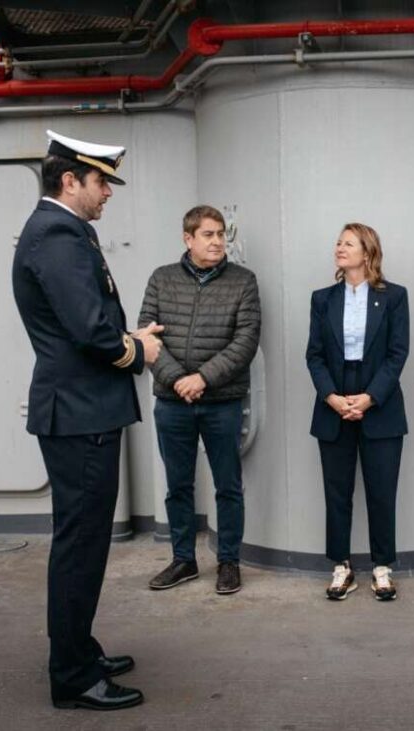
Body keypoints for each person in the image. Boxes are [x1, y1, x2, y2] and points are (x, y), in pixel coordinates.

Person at [12, 129, 164, 711]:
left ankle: (79, 647)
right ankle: (72, 676)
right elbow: (89, 329)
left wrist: (128, 338)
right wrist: (136, 350)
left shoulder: (67, 231)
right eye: (102, 181)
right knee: (80, 545)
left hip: (82, 411)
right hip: (79, 414)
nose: (108, 193)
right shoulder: (56, 233)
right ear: (69, 180)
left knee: (85, 541)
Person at [140, 205, 261, 595]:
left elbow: (245, 341)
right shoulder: (162, 279)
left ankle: (228, 561)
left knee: (227, 485)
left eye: (220, 234)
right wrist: (178, 380)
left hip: (222, 401)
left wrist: (202, 378)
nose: (216, 241)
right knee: (178, 485)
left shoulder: (243, 281)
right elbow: (148, 336)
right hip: (173, 402)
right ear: (187, 238)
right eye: (208, 234)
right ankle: (183, 560)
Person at [305, 223, 409, 601]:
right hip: (333, 402)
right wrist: (332, 397)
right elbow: (314, 355)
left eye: (347, 243)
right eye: (337, 242)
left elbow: (398, 354)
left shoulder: (394, 296)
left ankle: (382, 567)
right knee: (337, 492)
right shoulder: (322, 298)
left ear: (367, 253)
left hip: (379, 404)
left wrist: (369, 398)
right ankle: (341, 567)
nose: (339, 248)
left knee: (382, 491)